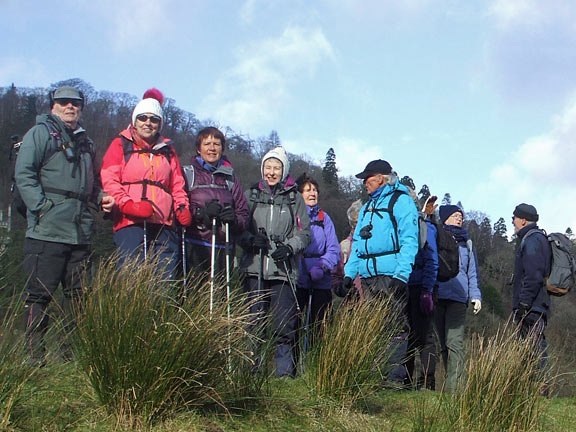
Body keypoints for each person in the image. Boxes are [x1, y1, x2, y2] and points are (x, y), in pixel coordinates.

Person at [15, 85, 114, 364]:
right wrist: (42, 207)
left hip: (80, 232)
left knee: (78, 298)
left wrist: (102, 197)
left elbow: (93, 182)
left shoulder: (87, 143)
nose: (70, 107)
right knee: (39, 294)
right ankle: (34, 357)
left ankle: (71, 357)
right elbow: (24, 174)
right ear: (53, 106)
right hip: (46, 230)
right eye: (64, 103)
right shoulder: (39, 133)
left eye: (75, 103)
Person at [341, 159, 419, 384]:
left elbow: (409, 240)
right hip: (367, 277)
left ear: (381, 178)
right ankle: (375, 375)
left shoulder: (401, 202)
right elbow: (357, 245)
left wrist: (402, 275)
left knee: (393, 325)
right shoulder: (367, 207)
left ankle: (393, 379)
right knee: (373, 326)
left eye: (368, 178)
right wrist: (349, 275)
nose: (364, 182)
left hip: (390, 276)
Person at [101, 89, 191, 280]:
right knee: (131, 275)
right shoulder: (120, 144)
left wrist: (182, 207)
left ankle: (160, 309)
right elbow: (109, 178)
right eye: (143, 118)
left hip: (164, 223)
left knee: (163, 279)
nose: (148, 123)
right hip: (130, 222)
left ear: (160, 125)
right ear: (135, 120)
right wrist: (126, 204)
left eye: (154, 119)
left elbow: (177, 184)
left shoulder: (168, 151)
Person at [238, 146, 310, 377]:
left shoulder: (294, 198)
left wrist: (289, 247)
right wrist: (250, 239)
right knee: (253, 324)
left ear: (284, 170)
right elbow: (239, 227)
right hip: (254, 269)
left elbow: (304, 234)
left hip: (283, 272)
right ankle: (252, 372)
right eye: (268, 167)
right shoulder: (251, 195)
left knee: (283, 327)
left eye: (276, 167)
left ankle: (283, 375)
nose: (271, 172)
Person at [183, 126, 250, 277]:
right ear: (198, 149)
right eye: (207, 144)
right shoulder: (188, 174)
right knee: (195, 293)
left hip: (223, 247)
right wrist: (200, 213)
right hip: (195, 245)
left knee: (219, 297)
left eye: (217, 144)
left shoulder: (230, 178)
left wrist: (233, 220)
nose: (212, 148)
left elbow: (243, 213)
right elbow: (180, 206)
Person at [434, 204, 482, 392]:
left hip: (458, 298)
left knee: (455, 343)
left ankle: (456, 389)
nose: (459, 218)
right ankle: (448, 384)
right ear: (445, 218)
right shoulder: (436, 236)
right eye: (455, 215)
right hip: (437, 295)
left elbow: (473, 272)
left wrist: (475, 296)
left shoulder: (467, 244)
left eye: (460, 216)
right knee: (441, 344)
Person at [295, 173, 340, 342]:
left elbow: (333, 249)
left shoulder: (324, 218)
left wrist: (322, 266)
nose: (312, 193)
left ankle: (316, 365)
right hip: (298, 279)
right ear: (299, 194)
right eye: (307, 190)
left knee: (320, 328)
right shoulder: (294, 217)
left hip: (321, 280)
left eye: (314, 190)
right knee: (295, 328)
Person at [402, 193, 439, 390]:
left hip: (418, 286)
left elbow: (432, 260)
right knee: (406, 333)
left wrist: (427, 289)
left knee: (423, 335)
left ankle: (426, 383)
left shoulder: (424, 227)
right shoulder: (402, 223)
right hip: (404, 285)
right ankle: (404, 379)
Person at [511, 203, 551, 374]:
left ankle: (539, 388)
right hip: (536, 304)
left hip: (532, 306)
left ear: (523, 220)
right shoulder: (536, 238)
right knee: (531, 346)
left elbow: (533, 275)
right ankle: (534, 388)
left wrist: (524, 303)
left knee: (533, 347)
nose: (512, 221)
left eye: (515, 217)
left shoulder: (532, 240)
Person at [332, 199, 363, 299]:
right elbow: (336, 276)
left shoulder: (376, 243)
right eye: (355, 222)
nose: (358, 225)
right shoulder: (344, 247)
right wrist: (342, 289)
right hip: (352, 305)